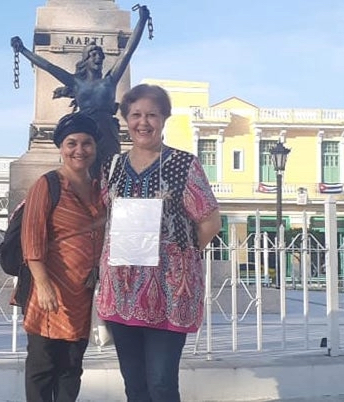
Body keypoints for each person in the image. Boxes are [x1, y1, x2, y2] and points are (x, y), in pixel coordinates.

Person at [96, 84, 221, 402]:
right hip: (122, 293)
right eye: (136, 114)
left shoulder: (184, 165)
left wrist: (179, 258)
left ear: (164, 118)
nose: (143, 122)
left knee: (162, 384)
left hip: (169, 295)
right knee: (135, 386)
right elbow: (100, 219)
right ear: (125, 119)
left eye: (152, 114)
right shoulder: (113, 167)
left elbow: (209, 221)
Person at [21, 112, 107, 402]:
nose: (79, 150)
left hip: (83, 292)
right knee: (43, 366)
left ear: (95, 148)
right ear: (61, 147)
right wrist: (42, 284)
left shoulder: (99, 188)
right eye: (72, 143)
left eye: (87, 143)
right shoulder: (47, 185)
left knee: (72, 366)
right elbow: (31, 237)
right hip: (50, 291)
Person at [10, 5, 151, 173]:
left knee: (110, 171)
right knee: (85, 172)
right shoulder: (76, 83)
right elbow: (48, 66)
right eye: (93, 55)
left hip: (107, 131)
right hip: (86, 130)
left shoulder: (110, 80)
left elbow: (128, 51)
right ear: (86, 60)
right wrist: (23, 50)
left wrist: (141, 21)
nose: (98, 57)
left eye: (100, 54)